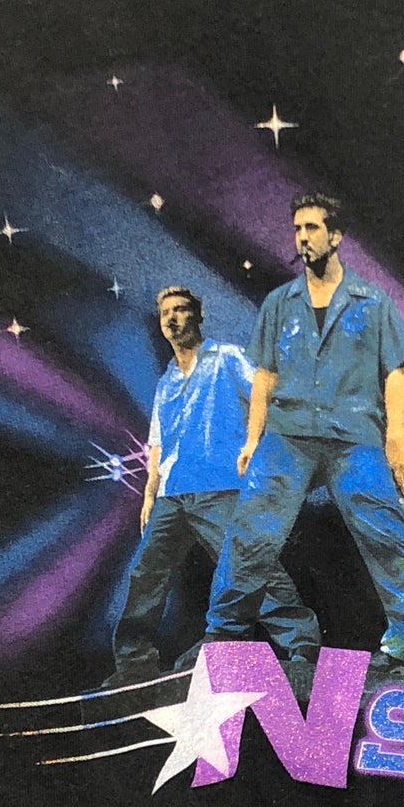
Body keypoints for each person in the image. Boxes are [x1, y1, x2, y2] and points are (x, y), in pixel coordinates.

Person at [205, 193, 404, 672]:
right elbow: (264, 377)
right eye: (297, 229)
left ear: (335, 236)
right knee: (252, 531)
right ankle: (222, 634)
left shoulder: (373, 302)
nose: (303, 238)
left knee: (388, 535)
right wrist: (253, 438)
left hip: (354, 435)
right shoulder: (279, 303)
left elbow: (395, 374)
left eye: (313, 228)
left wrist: (396, 440)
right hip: (289, 434)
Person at [109, 286, 320, 683]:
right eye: (165, 313)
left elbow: (265, 396)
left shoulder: (227, 357)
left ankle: (302, 643)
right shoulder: (166, 381)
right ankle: (134, 663)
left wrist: (259, 449)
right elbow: (157, 444)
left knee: (248, 564)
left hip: (220, 485)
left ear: (199, 315)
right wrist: (149, 494)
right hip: (172, 493)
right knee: (145, 574)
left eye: (180, 310)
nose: (172, 319)